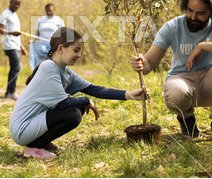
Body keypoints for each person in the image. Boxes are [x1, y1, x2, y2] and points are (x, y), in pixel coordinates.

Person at [130, 0, 212, 143]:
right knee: (176, 93)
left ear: (211, 12)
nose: (193, 17)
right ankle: (187, 119)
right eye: (190, 10)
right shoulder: (172, 27)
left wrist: (202, 46)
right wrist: (140, 63)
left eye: (200, 13)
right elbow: (149, 64)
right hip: (182, 81)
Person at [10, 27, 149, 159]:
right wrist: (87, 100)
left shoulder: (66, 72)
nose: (79, 55)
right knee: (73, 114)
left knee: (78, 108)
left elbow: (94, 89)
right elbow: (64, 103)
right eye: (76, 50)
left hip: (32, 124)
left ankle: (42, 142)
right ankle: (33, 148)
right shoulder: (48, 67)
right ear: (60, 49)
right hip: (22, 128)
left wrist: (129, 95)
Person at [0, 0, 27, 100]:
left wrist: (22, 47)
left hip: (15, 45)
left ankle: (8, 93)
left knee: (14, 67)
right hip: (9, 45)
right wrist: (11, 33)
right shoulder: (5, 14)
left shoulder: (15, 15)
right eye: (15, 3)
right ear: (10, 2)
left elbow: (17, 33)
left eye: (18, 4)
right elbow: (0, 30)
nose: (17, 6)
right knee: (17, 66)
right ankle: (11, 92)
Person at [30, 3, 65, 70]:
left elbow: (63, 34)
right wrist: (32, 41)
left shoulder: (59, 20)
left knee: (53, 63)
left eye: (51, 10)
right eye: (47, 11)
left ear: (54, 10)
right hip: (42, 47)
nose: (49, 12)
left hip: (53, 46)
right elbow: (37, 33)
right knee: (42, 64)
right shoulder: (40, 20)